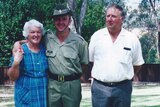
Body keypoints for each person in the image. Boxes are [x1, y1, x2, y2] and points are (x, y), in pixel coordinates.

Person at [89, 3, 144, 107]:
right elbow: (91, 61)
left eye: (113, 16)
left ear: (122, 19)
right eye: (107, 16)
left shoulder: (132, 39)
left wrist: (123, 75)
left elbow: (137, 64)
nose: (109, 19)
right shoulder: (96, 37)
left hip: (122, 89)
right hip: (100, 89)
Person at [45, 4, 89, 107]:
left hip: (72, 86)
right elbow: (32, 40)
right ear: (53, 21)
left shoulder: (79, 42)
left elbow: (84, 64)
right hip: (52, 86)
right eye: (57, 19)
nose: (60, 22)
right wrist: (17, 44)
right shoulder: (47, 38)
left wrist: (71, 76)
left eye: (64, 19)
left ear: (69, 21)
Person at [8, 19, 48, 107]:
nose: (36, 35)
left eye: (38, 32)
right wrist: (16, 63)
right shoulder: (20, 50)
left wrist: (17, 42)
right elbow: (12, 77)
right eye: (32, 32)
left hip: (44, 95)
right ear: (26, 34)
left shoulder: (45, 49)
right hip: (25, 96)